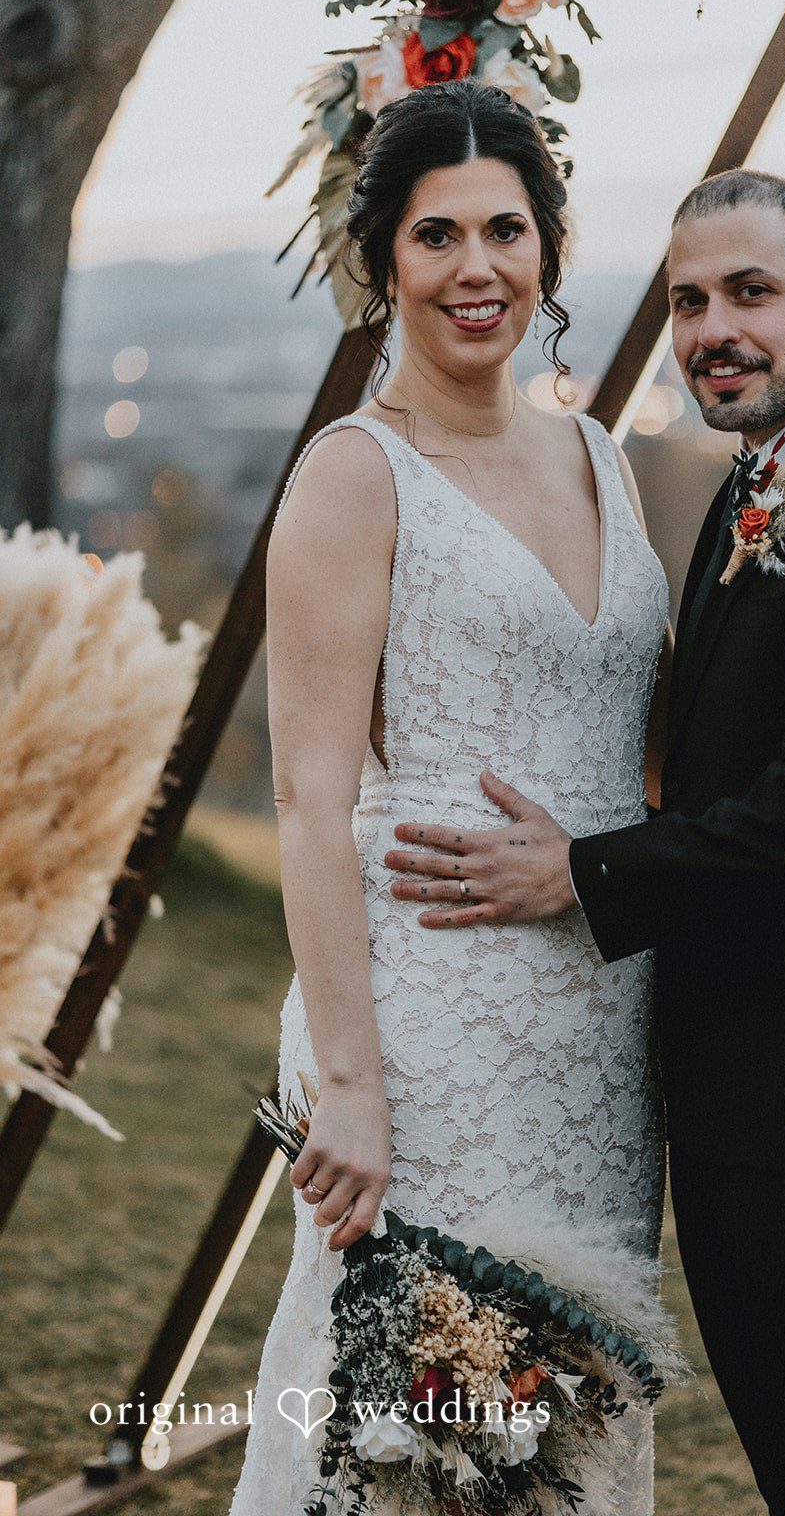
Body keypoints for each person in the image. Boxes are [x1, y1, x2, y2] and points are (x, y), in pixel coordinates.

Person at [387, 169, 785, 1515]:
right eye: (689, 301)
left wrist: (584, 870)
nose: (715, 327)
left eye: (751, 292)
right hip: (756, 1087)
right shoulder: (764, 490)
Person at [228, 78, 671, 1516]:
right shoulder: (354, 480)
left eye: (506, 229)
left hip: (601, 1039)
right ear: (386, 262)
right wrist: (350, 1087)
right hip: (430, 1048)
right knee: (424, 1433)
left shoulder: (598, 449)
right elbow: (304, 796)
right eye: (437, 237)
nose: (477, 267)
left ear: (548, 246)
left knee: (564, 1427)